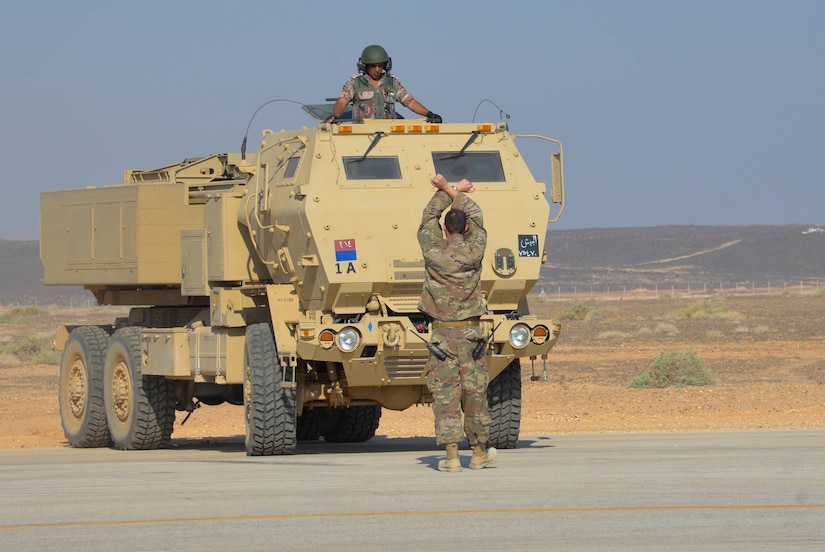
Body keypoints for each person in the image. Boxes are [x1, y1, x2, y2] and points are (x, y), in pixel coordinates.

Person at [417, 173, 497, 472]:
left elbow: (427, 219)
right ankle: (478, 453)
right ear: (465, 228)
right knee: (475, 393)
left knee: (446, 396)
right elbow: (477, 216)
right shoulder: (475, 250)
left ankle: (452, 458)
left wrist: (444, 190)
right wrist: (456, 191)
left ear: (444, 230)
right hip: (471, 335)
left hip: (441, 337)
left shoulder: (432, 251)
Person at [327, 44, 441, 123]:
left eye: (380, 65)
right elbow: (342, 102)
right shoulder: (355, 83)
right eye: (373, 66)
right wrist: (336, 115)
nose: (377, 69)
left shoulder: (392, 83)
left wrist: (429, 114)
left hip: (388, 135)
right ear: (365, 66)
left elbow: (410, 102)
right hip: (362, 134)